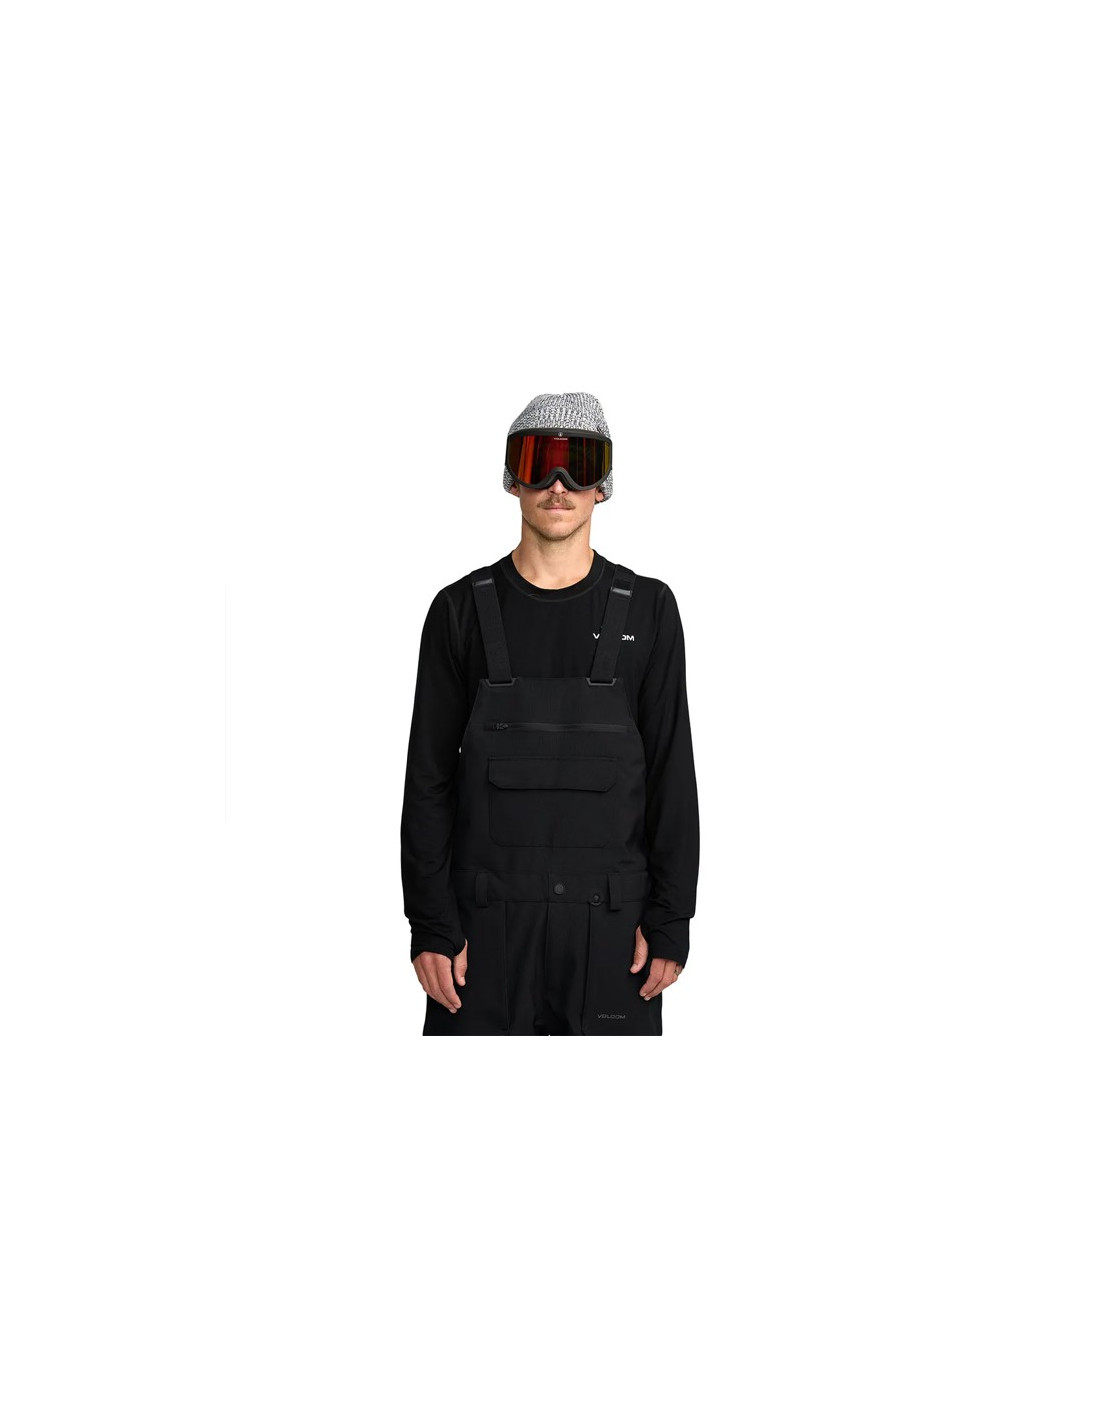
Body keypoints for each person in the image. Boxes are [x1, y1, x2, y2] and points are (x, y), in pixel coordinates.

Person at [400, 391, 700, 1035]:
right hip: (480, 936)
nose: (557, 484)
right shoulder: (457, 611)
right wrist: (431, 923)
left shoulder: (650, 610)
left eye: (578, 465)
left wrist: (671, 918)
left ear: (603, 486)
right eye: (539, 463)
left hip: (615, 933)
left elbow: (672, 773)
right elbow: (428, 780)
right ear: (513, 479)